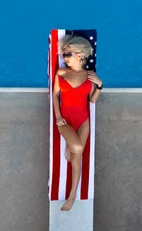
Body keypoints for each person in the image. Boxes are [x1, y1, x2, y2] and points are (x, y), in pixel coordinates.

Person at [52, 34, 103, 211]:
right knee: (78, 148)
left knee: (77, 157)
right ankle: (69, 144)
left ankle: (72, 194)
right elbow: (55, 95)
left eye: (68, 54)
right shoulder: (62, 73)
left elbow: (93, 100)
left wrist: (100, 86)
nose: (64, 58)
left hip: (83, 121)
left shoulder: (90, 76)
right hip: (65, 120)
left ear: (80, 55)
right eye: (64, 55)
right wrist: (58, 116)